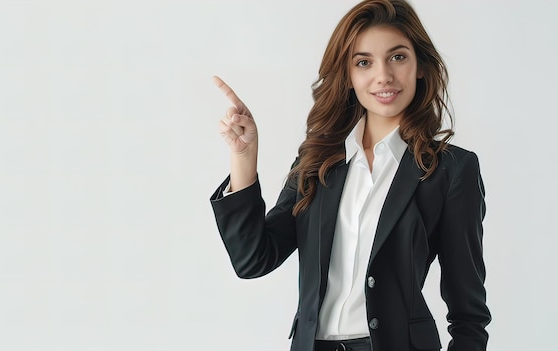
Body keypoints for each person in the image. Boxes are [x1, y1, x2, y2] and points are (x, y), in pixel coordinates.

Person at [209, 0, 491, 350]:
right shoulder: (318, 161)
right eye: (364, 62)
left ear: (420, 66)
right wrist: (243, 157)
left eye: (398, 57)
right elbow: (253, 260)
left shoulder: (450, 170)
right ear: (348, 76)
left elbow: (468, 314)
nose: (383, 75)